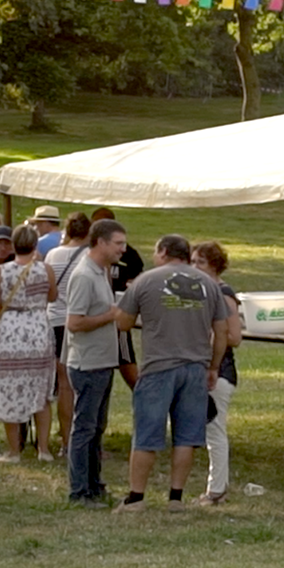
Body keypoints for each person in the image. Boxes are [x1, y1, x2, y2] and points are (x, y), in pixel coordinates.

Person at [114, 235, 230, 513]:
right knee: (187, 436)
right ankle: (176, 498)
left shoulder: (145, 280)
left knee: (146, 434)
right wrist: (213, 367)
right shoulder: (209, 285)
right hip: (195, 369)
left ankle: (136, 497)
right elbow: (223, 332)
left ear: (163, 251)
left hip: (158, 367)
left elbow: (123, 322)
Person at [0, 225, 58, 462]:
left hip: (10, 332)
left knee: (11, 389)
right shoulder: (46, 270)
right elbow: (52, 296)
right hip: (39, 329)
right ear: (35, 245)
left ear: (13, 244)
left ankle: (13, 450)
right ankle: (44, 449)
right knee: (41, 392)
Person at [65, 219, 127, 506]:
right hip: (87, 364)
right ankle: (79, 491)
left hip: (104, 361)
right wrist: (110, 316)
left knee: (97, 427)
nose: (123, 250)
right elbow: (74, 323)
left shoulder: (102, 271)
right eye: (118, 244)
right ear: (100, 242)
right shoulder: (84, 276)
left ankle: (94, 484)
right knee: (84, 428)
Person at [191, 240, 243, 506]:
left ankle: (217, 489)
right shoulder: (203, 291)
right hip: (204, 368)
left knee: (215, 430)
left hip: (220, 371)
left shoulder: (223, 293)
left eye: (200, 262)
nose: (194, 267)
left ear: (213, 265)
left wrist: (210, 337)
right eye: (193, 261)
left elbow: (234, 336)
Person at [43, 212, 93, 457]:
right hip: (81, 321)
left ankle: (66, 440)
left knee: (63, 384)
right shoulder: (90, 257)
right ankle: (84, 439)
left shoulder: (53, 255)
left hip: (55, 320)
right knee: (84, 383)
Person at [91, 207, 146, 390]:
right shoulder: (89, 255)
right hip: (95, 313)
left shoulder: (128, 254)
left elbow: (138, 276)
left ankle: (142, 395)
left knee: (126, 362)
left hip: (117, 313)